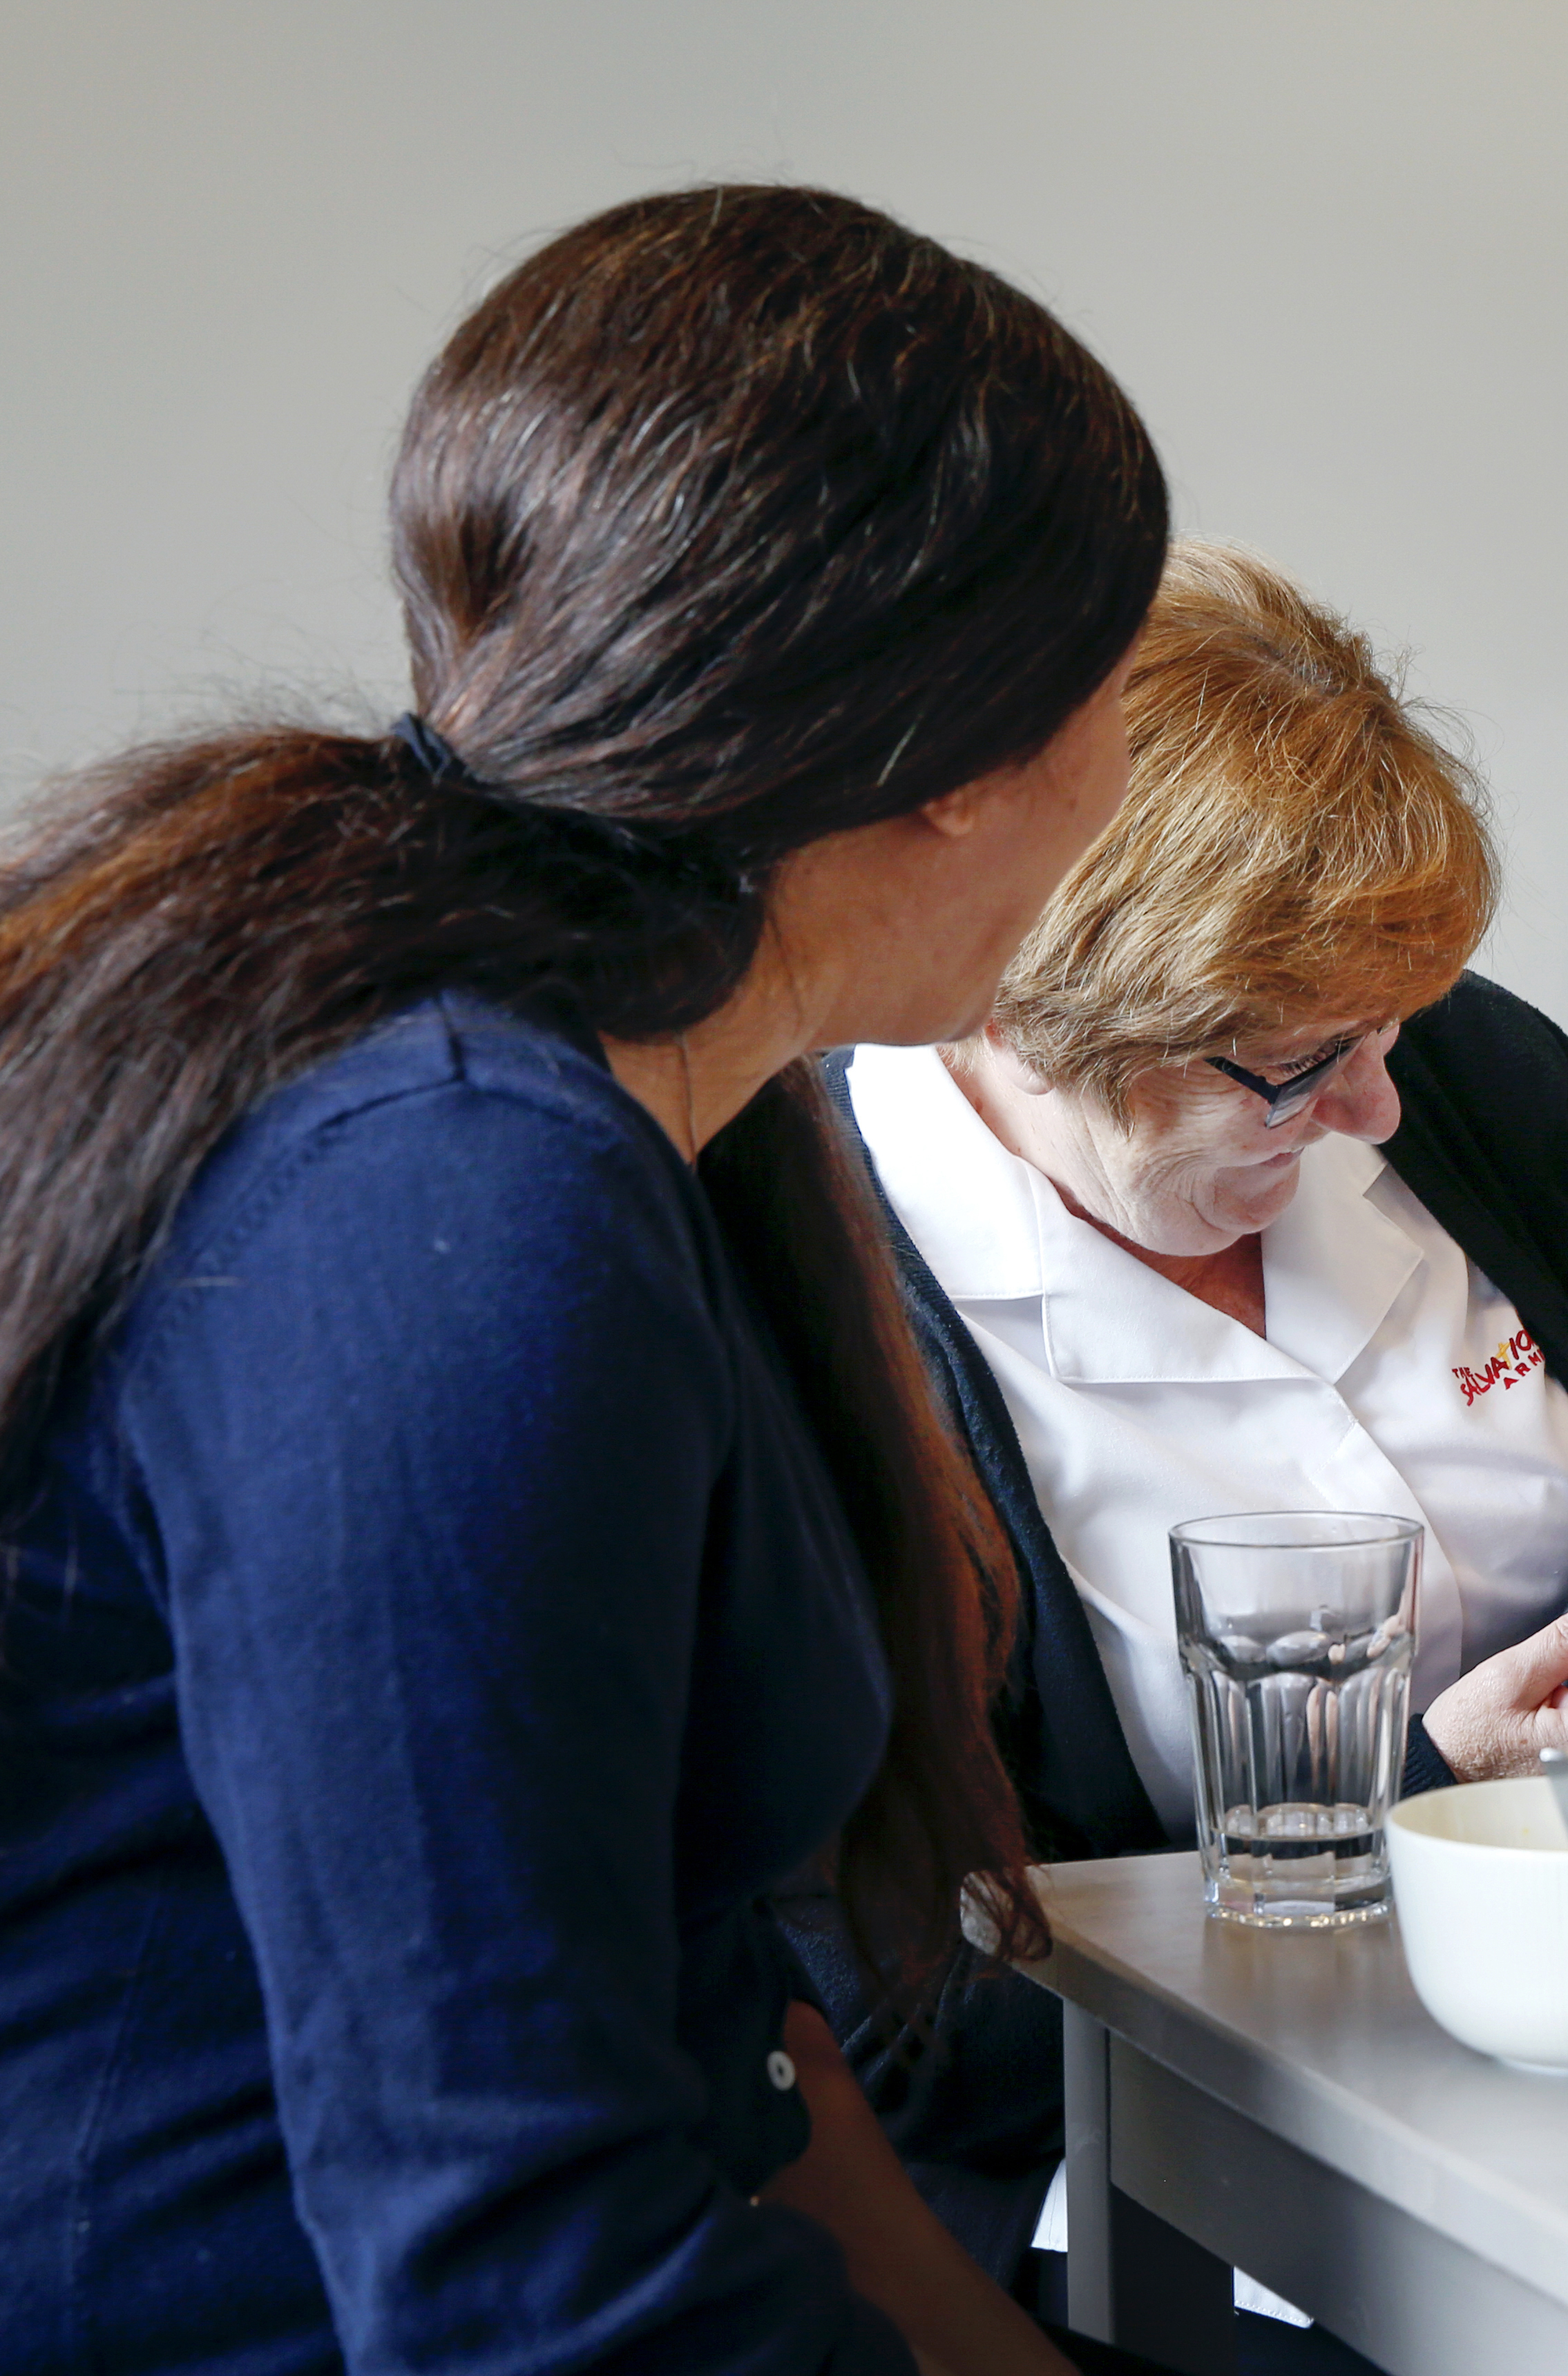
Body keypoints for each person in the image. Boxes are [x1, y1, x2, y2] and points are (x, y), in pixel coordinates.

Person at [0, 186, 1165, 2375]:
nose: (1121, 780)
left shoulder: (643, 1086)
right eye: (1120, 688)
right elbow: (515, 2270)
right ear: (951, 760)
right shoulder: (456, 1191)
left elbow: (702, 2014)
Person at [803, 540, 1568, 2287]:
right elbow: (899, 2026)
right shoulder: (811, 1272)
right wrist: (1418, 1797)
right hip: (1183, 2203)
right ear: (1027, 999)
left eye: (1388, 1028)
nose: (1379, 1106)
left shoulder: (1460, 1075)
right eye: (1299, 1061)